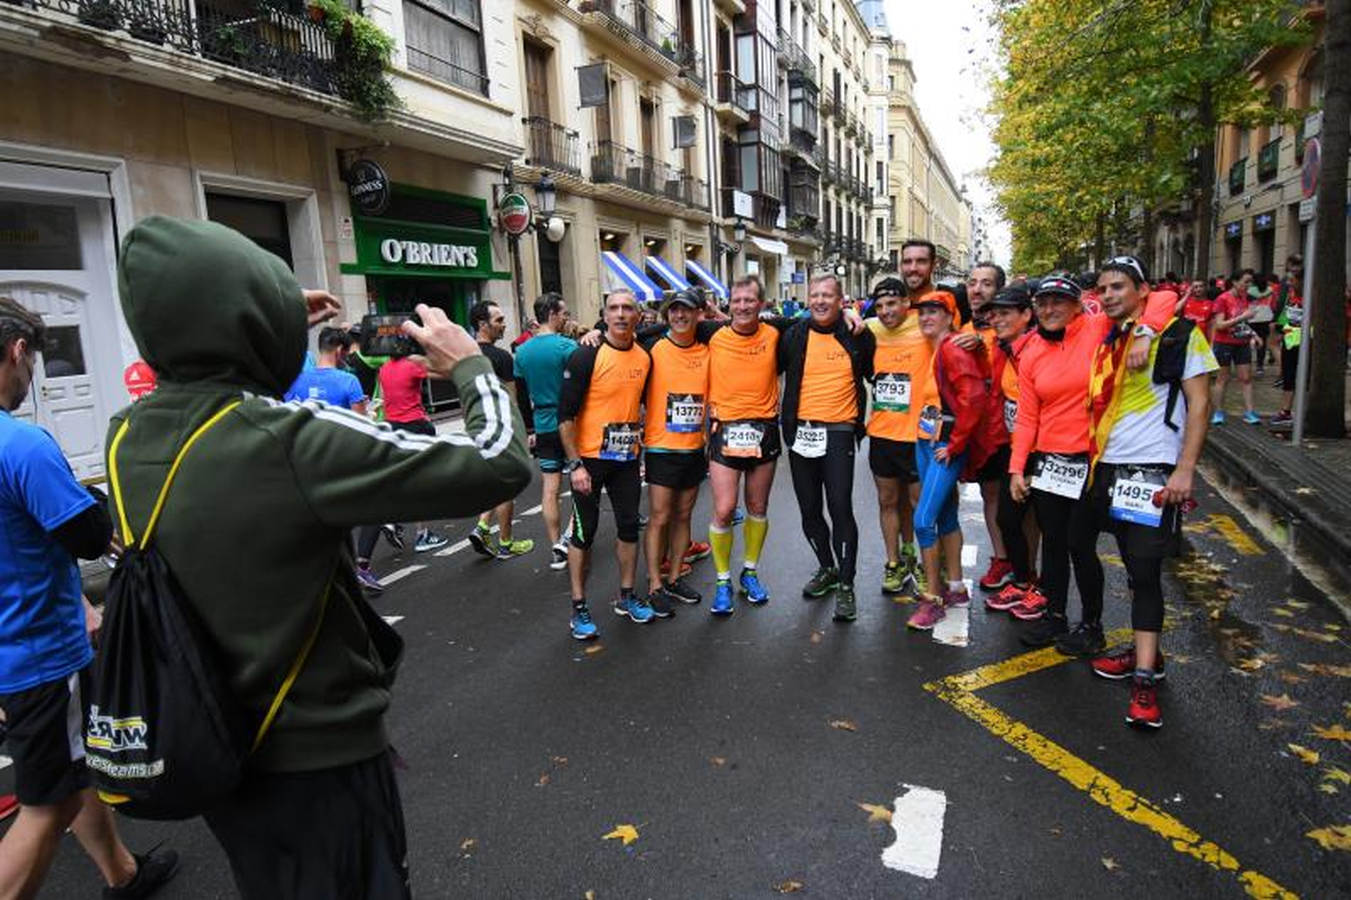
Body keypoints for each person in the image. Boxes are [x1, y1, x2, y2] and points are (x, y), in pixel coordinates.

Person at [107, 217, 531, 899]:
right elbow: (499, 462)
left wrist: (265, 329)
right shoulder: (289, 440)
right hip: (320, 757)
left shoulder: (125, 437)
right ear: (241, 324)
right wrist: (472, 364)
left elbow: (230, 427)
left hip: (220, 743)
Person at [0, 298, 179, 900]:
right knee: (47, 804)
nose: (31, 382)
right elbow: (84, 532)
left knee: (74, 770)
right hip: (36, 656)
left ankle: (121, 874)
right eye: (33, 364)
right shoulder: (21, 445)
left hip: (14, 650)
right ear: (18, 352)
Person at [1007, 268, 1173, 650]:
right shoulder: (1030, 350)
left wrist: (1145, 333)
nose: (1050, 309)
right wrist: (1018, 468)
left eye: (1059, 302)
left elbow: (1161, 299)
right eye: (1043, 303)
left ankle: (1092, 625)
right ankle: (1054, 616)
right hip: (1050, 460)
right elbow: (1028, 415)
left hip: (1091, 458)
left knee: (1080, 543)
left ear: (1077, 304)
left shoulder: (1097, 327)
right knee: (1053, 542)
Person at [1085, 257, 1216, 728]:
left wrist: (1185, 469)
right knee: (1133, 566)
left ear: (1142, 290)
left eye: (1119, 286)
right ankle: (1150, 656)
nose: (1109, 294)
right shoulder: (1110, 337)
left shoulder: (1179, 335)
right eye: (1103, 288)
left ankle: (1144, 679)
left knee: (1144, 571)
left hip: (1153, 476)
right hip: (1111, 471)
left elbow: (1200, 404)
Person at [779, 274, 875, 621]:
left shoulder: (857, 336)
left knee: (839, 507)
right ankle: (827, 568)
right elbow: (753, 327)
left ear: (841, 301)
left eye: (827, 296)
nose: (820, 301)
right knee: (809, 509)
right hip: (800, 432)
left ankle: (846, 586)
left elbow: (879, 370)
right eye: (814, 295)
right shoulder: (793, 335)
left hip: (838, 432)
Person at [558, 290, 653, 637]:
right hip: (590, 462)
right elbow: (565, 416)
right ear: (604, 315)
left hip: (626, 460)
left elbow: (640, 406)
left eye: (628, 308)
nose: (621, 314)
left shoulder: (644, 357)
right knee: (585, 533)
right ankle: (578, 608)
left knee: (629, 527)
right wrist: (575, 465)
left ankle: (626, 597)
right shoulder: (586, 355)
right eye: (614, 308)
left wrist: (641, 450)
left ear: (638, 316)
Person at [905, 291, 998, 630]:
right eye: (923, 312)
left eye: (934, 311)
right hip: (928, 437)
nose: (926, 316)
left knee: (923, 520)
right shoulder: (942, 345)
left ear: (950, 316)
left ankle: (933, 598)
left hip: (943, 441)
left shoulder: (954, 347)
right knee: (944, 515)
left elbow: (974, 398)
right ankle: (956, 587)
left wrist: (956, 444)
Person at [639, 289, 710, 613]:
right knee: (660, 517)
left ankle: (675, 576)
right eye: (675, 311)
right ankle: (655, 585)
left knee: (684, 516)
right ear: (668, 315)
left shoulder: (707, 350)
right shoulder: (653, 349)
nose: (681, 316)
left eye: (687, 311)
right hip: (661, 447)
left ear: (698, 314)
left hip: (694, 448)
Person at [981, 286, 1048, 616]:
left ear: (1026, 315)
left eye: (1006, 313)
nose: (998, 319)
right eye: (995, 313)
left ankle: (1040, 590)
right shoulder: (1003, 347)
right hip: (1015, 445)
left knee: (1047, 525)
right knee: (1010, 518)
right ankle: (1024, 582)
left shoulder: (1036, 347)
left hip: (1045, 450)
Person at [864, 276, 928, 597]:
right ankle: (895, 562)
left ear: (907, 303)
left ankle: (923, 561)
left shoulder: (925, 327)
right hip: (883, 433)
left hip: (918, 435)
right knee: (888, 501)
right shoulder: (870, 330)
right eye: (880, 306)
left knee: (919, 504)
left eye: (892, 304)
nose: (886, 311)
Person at [513, 293, 578, 570]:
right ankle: (568, 537)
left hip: (541, 424)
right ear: (551, 313)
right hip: (570, 426)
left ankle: (555, 546)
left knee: (550, 490)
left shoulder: (522, 351)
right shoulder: (567, 346)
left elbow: (520, 394)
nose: (566, 318)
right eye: (563, 313)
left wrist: (530, 428)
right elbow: (579, 389)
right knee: (581, 487)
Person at [466, 301, 534, 560]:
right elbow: (512, 399)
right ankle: (505, 542)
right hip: (501, 427)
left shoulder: (466, 355)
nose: (504, 325)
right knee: (508, 484)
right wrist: (522, 430)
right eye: (499, 320)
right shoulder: (502, 357)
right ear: (483, 325)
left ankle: (484, 526)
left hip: (476, 425)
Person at [966, 261, 1017, 592]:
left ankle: (1026, 568)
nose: (977, 289)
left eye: (986, 284)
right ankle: (1002, 559)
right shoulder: (961, 327)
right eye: (972, 282)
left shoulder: (1011, 329)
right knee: (990, 496)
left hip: (1016, 431)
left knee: (1022, 508)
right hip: (982, 432)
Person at [379, 332, 450, 552]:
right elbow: (443, 372)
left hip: (392, 426)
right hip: (416, 425)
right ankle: (423, 535)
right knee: (423, 480)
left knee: (402, 477)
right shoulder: (411, 365)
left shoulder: (383, 369)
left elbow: (383, 397)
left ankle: (391, 518)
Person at [1209, 268, 1259, 425]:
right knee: (1223, 378)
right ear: (1235, 282)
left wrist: (1253, 334)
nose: (1248, 286)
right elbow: (1220, 325)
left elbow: (1244, 323)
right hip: (1224, 343)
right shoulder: (1223, 299)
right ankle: (1218, 412)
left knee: (1246, 378)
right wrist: (1242, 317)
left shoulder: (1246, 299)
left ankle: (1250, 411)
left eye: (1250, 282)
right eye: (1245, 282)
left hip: (1242, 342)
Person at [1270, 277, 1304, 427]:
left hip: (1305, 342)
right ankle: (1285, 411)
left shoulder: (1311, 296)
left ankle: (1302, 411)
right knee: (1288, 376)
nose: (1290, 283)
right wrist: (1281, 326)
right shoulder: (1290, 296)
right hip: (1290, 341)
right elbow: (1286, 315)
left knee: (1303, 377)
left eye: (1294, 280)